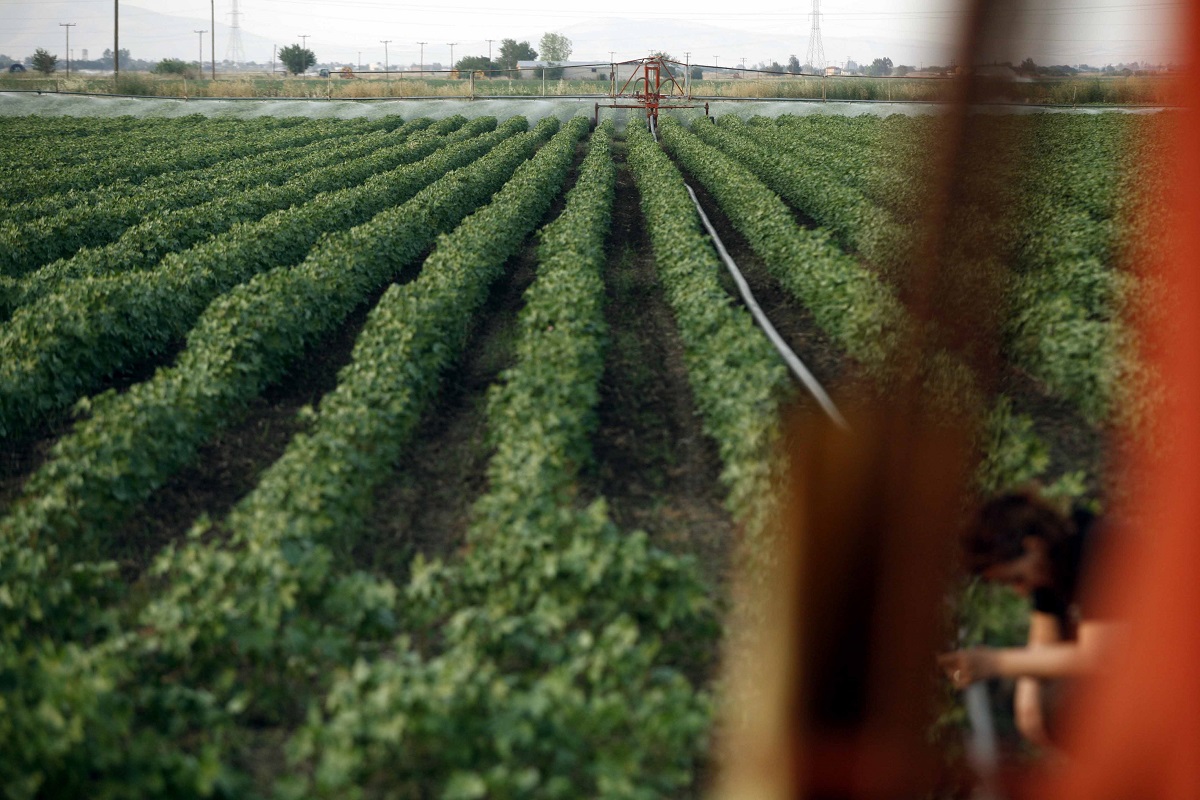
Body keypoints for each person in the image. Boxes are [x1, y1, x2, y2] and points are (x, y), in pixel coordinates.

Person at [938, 489, 1118, 750]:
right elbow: (1041, 648)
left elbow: (1101, 656)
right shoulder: (1051, 571)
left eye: (1017, 579)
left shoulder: (1097, 545)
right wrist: (1030, 711)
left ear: (1034, 546)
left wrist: (993, 662)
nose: (1021, 591)